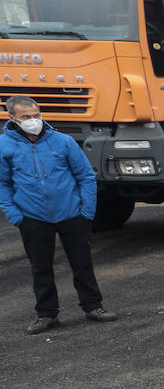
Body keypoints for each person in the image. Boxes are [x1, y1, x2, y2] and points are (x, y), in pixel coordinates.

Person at [0, 95, 118, 334]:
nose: (33, 121)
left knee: (82, 264)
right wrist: (15, 214)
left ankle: (93, 306)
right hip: (32, 218)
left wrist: (87, 210)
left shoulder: (63, 141)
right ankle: (46, 314)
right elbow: (3, 183)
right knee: (40, 268)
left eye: (36, 116)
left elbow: (85, 176)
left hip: (72, 214)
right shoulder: (4, 146)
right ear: (12, 118)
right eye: (26, 117)